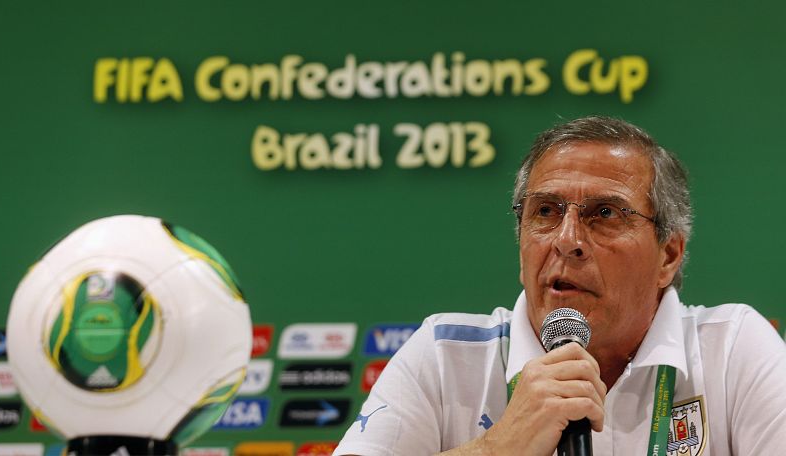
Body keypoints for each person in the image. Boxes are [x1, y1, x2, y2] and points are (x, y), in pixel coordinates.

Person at [332, 116, 786, 455]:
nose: (567, 241)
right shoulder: (445, 357)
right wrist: (497, 448)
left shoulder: (731, 351)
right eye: (546, 212)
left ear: (668, 255)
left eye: (605, 213)